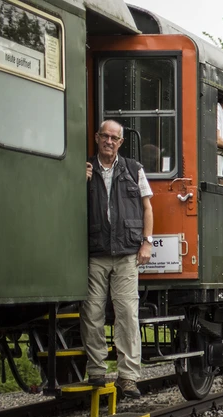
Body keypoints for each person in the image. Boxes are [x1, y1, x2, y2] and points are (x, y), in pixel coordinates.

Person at [82, 120, 154, 399]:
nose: (109, 141)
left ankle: (128, 377)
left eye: (114, 138)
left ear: (121, 142)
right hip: (96, 252)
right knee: (92, 313)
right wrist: (80, 182)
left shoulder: (134, 169)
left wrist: (147, 242)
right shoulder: (85, 168)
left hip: (126, 253)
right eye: (105, 136)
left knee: (127, 315)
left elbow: (148, 207)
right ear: (97, 137)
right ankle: (96, 371)